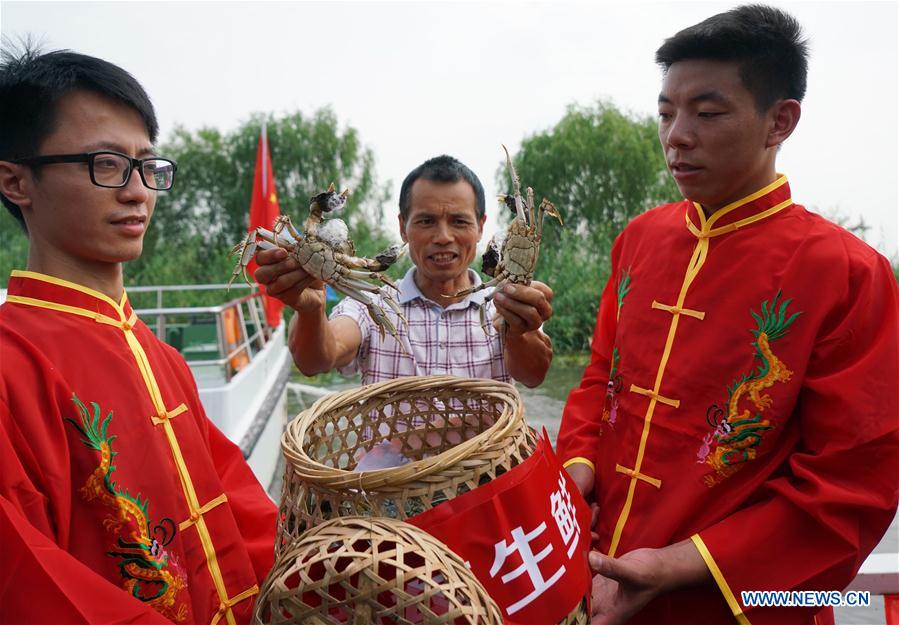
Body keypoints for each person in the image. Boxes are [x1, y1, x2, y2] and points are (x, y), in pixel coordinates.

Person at [555, 5, 898, 625]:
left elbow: (851, 485)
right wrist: (575, 474)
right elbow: (598, 381)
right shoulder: (639, 239)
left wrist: (675, 565)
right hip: (591, 577)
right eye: (665, 113)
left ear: (780, 121)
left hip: (727, 601)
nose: (676, 136)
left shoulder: (848, 275)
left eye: (707, 113)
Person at [0, 48, 276, 624]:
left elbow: (236, 510)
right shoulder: (11, 364)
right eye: (106, 164)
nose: (138, 191)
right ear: (16, 180)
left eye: (147, 166)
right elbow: (30, 582)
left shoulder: (161, 358)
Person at [254, 154, 554, 387]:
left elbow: (533, 375)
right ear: (403, 227)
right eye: (426, 221)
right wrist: (310, 311)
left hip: (489, 465)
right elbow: (318, 360)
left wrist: (519, 331)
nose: (443, 237)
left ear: (481, 228)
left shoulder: (505, 304)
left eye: (459, 222)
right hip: (391, 469)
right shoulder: (373, 302)